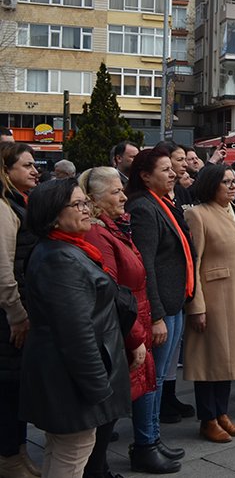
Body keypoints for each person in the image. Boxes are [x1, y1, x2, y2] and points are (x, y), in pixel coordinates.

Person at [21, 179, 131, 477]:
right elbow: (76, 334)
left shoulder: (66, 249)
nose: (87, 210)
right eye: (78, 204)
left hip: (64, 375)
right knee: (74, 450)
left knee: (64, 447)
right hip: (69, 379)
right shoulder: (61, 259)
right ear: (54, 214)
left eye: (86, 202)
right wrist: (97, 388)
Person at [79, 168, 164, 475]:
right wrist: (136, 336)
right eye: (116, 192)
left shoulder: (113, 227)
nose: (124, 196)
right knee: (107, 412)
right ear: (94, 199)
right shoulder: (97, 233)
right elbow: (110, 291)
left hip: (131, 322)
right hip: (122, 329)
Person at [125, 147, 193, 467]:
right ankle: (146, 443)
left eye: (172, 169)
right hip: (160, 309)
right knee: (150, 379)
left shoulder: (164, 204)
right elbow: (145, 266)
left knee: (160, 375)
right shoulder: (143, 208)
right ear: (145, 175)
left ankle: (154, 438)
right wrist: (156, 315)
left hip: (173, 302)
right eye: (165, 169)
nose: (173, 174)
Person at [183, 165, 235, 442]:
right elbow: (195, 263)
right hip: (214, 299)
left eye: (234, 181)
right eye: (225, 181)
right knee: (210, 361)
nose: (231, 186)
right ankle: (208, 418)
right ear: (211, 184)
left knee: (231, 358)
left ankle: (222, 412)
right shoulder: (197, 214)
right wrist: (197, 306)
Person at [0, 143, 39, 478]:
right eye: (26, 165)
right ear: (6, 169)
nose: (34, 170)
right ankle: (9, 456)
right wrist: (16, 314)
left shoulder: (20, 202)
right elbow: (4, 270)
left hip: (22, 308)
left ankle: (20, 451)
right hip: (10, 317)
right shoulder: (3, 208)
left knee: (17, 387)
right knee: (8, 389)